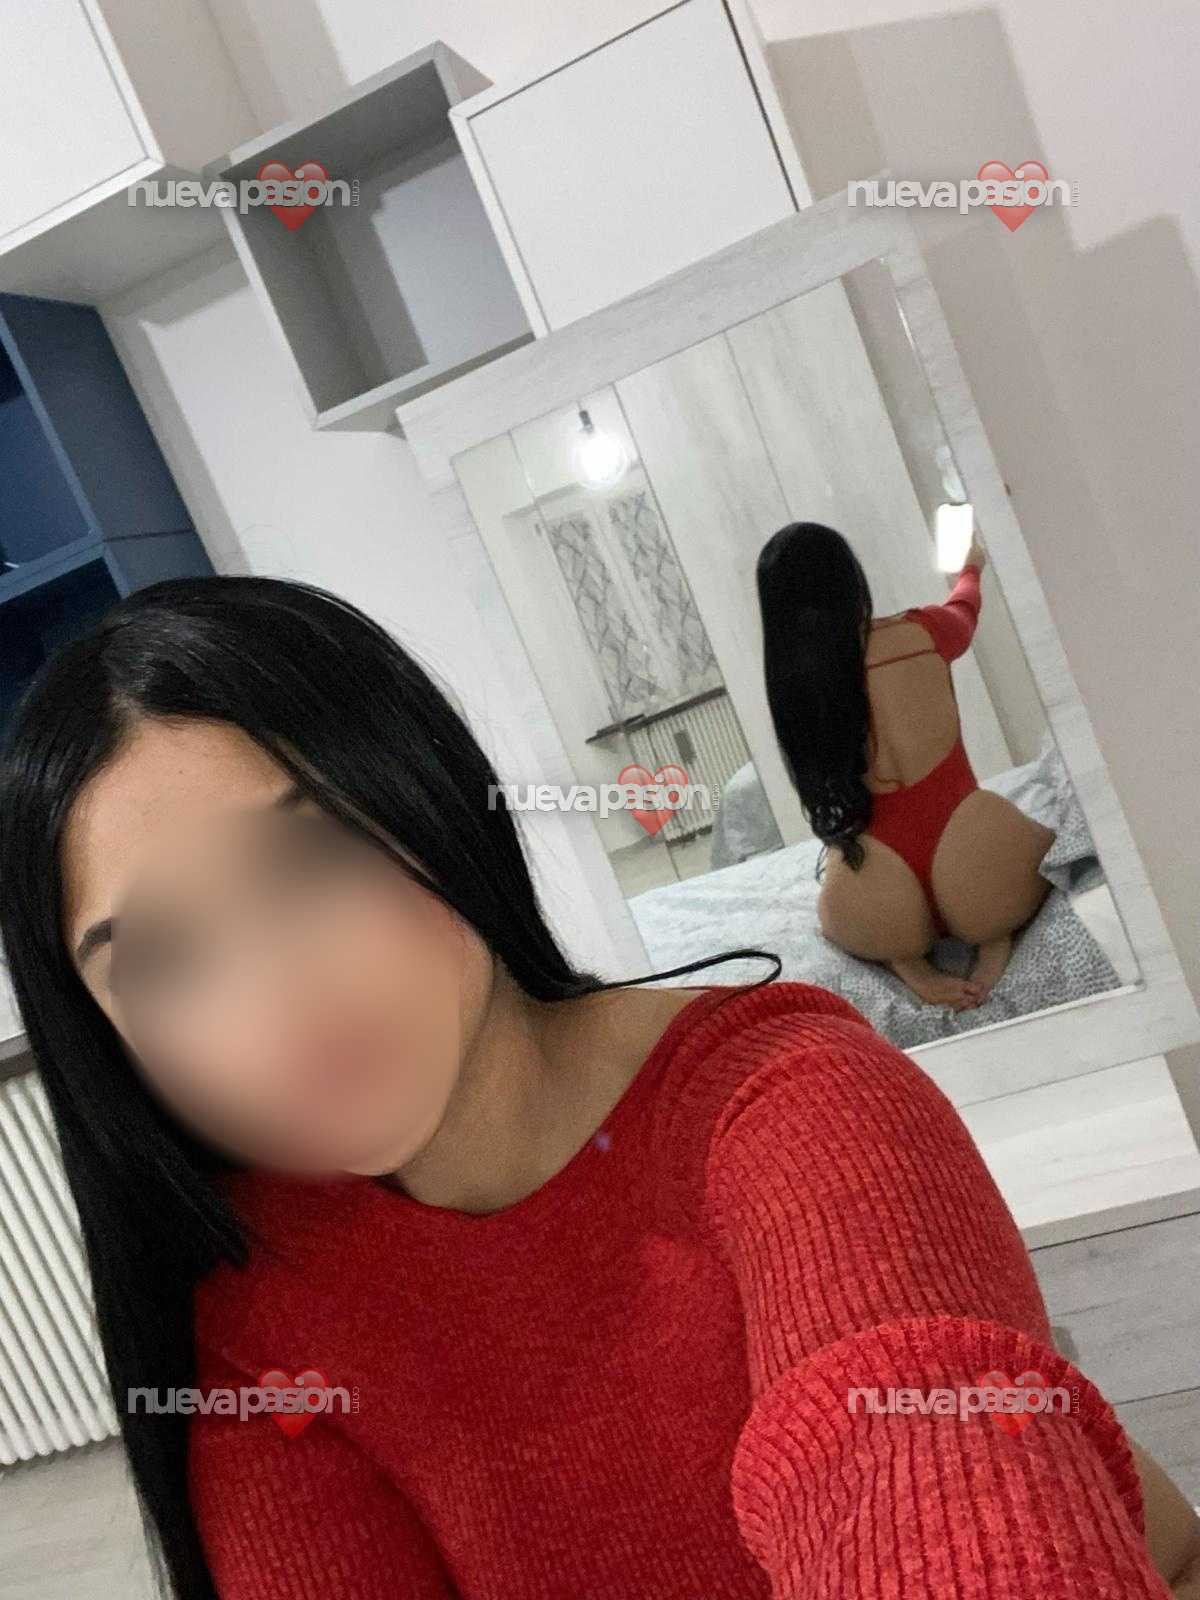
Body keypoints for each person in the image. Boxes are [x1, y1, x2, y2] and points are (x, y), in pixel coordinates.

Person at [1, 573, 1196, 1600]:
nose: (276, 997)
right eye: (161, 958)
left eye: (309, 854)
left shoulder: (792, 1104)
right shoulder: (252, 1307)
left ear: (429, 795)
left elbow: (913, 1446)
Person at [758, 520, 1056, 1011]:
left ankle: (910, 963)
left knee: (839, 892)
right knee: (1021, 840)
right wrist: (970, 568)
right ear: (850, 579)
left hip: (880, 894)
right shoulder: (921, 632)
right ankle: (992, 937)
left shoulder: (799, 687)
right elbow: (965, 608)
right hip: (977, 853)